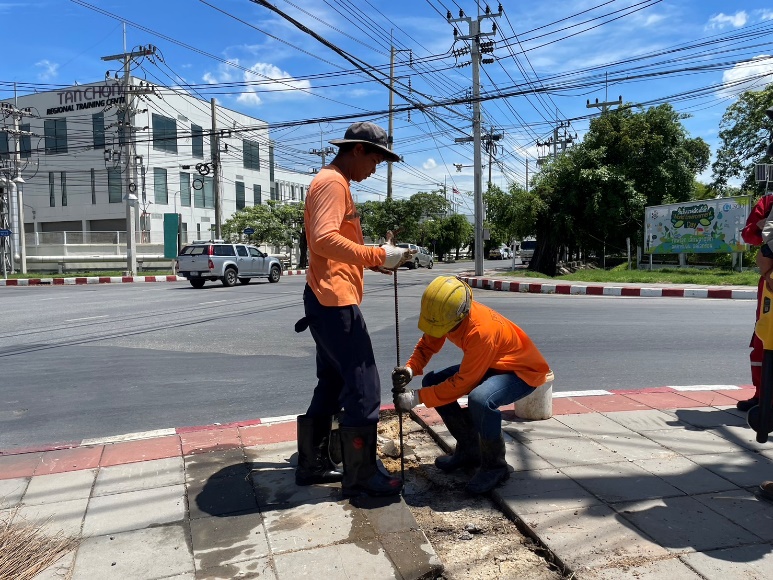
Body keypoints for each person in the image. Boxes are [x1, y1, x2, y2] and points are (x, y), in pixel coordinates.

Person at [294, 121, 414, 498]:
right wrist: (377, 253)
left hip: (324, 296)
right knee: (364, 386)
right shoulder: (332, 183)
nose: (375, 170)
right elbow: (324, 239)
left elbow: (335, 244)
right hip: (334, 300)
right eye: (375, 160)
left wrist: (374, 262)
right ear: (358, 150)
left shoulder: (332, 181)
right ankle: (362, 475)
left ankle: (312, 463)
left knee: (332, 382)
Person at [391, 275, 553, 494]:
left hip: (521, 372)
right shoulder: (447, 313)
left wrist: (416, 398)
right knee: (433, 380)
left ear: (461, 315)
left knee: (481, 400)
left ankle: (495, 466)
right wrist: (410, 369)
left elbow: (463, 383)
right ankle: (469, 449)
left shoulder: (481, 330)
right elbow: (428, 344)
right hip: (491, 363)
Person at [739, 193, 773, 411]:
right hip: (771, 281)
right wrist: (762, 225)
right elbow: (749, 236)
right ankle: (763, 395)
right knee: (764, 336)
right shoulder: (768, 202)